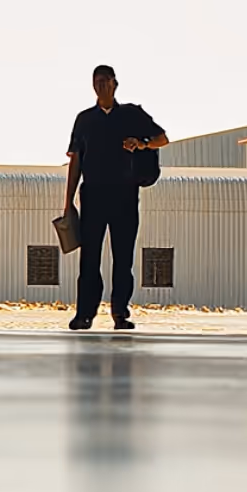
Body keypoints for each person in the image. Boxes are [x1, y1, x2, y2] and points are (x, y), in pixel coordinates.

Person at [62, 66, 167, 331]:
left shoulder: (132, 114)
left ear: (115, 84)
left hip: (124, 196)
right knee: (89, 258)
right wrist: (68, 202)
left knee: (123, 258)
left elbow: (162, 138)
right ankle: (84, 313)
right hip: (93, 196)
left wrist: (141, 144)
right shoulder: (84, 120)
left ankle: (120, 312)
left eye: (106, 81)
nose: (102, 86)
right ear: (92, 85)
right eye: (97, 82)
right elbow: (75, 161)